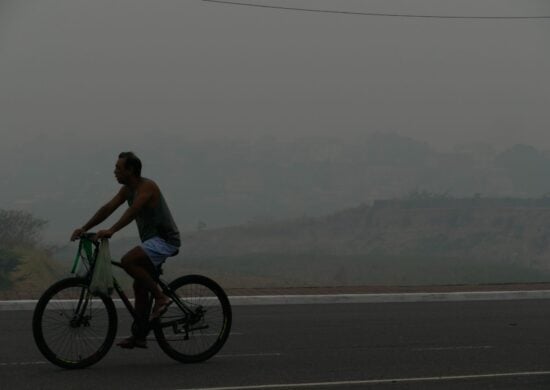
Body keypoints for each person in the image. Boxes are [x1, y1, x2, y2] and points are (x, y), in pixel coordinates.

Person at [70, 152, 181, 349]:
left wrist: (111, 230)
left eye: (118, 169)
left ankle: (161, 298)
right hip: (151, 242)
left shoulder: (147, 187)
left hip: (165, 240)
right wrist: (84, 228)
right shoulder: (126, 190)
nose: (115, 172)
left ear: (130, 170)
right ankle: (140, 335)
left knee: (128, 261)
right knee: (139, 287)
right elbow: (107, 208)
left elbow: (133, 211)